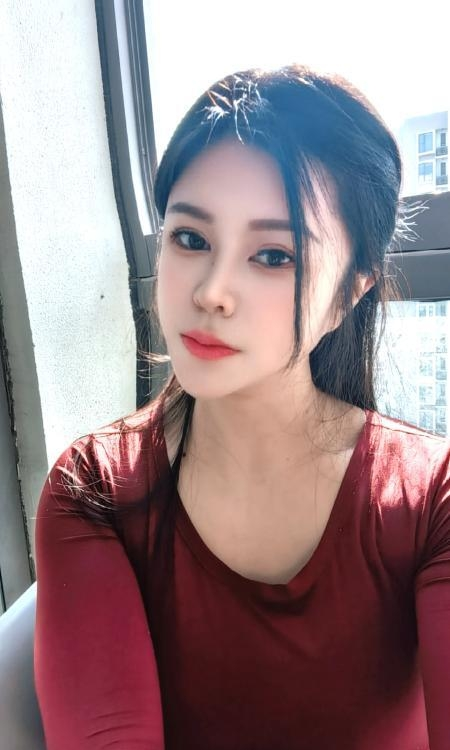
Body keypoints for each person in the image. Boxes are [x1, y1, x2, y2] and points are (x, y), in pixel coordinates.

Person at [34, 65, 450, 749]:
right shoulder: (96, 488)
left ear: (349, 294)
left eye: (274, 256)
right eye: (191, 239)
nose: (212, 291)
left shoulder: (429, 497)